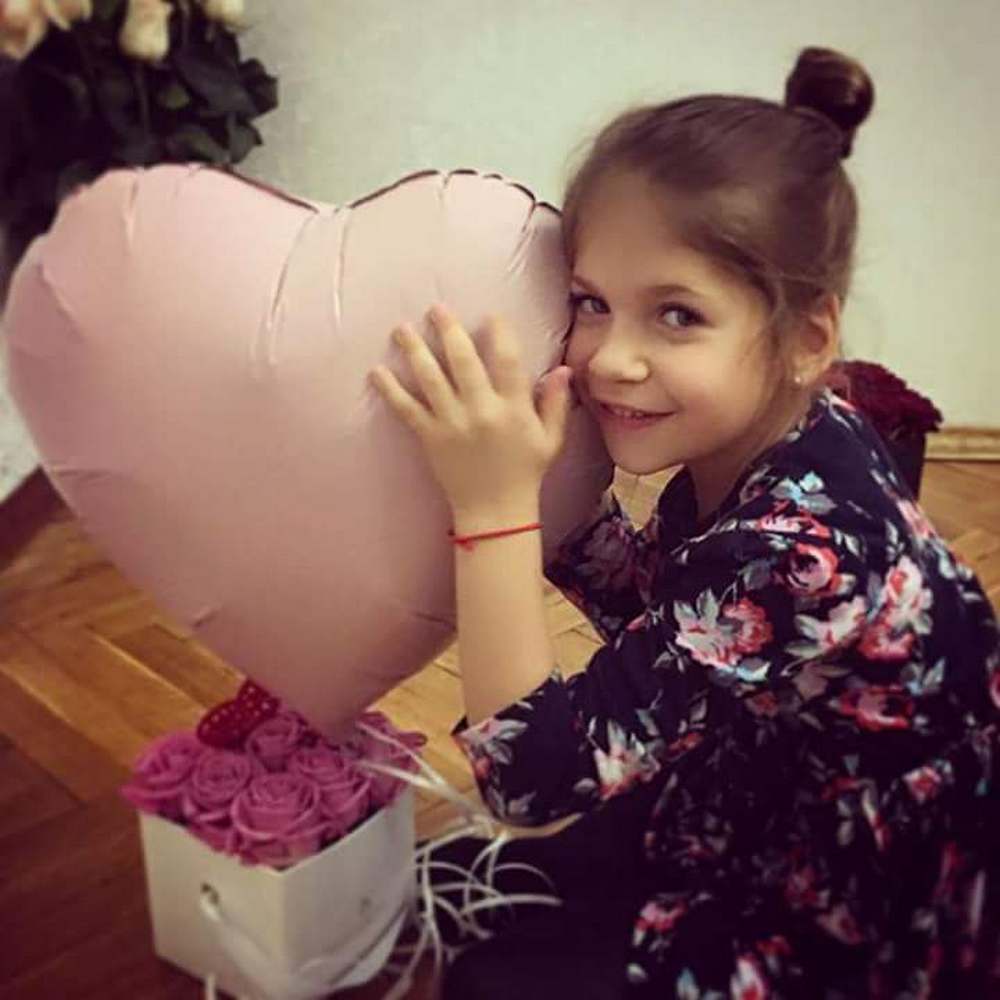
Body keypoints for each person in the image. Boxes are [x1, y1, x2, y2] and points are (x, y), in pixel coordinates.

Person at [370, 45, 1000, 998]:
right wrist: (551, 500)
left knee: (496, 980)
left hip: (857, 878)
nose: (609, 359)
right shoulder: (777, 429)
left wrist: (493, 509)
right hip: (763, 764)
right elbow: (676, 619)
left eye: (676, 315)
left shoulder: (801, 548)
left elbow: (531, 782)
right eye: (591, 303)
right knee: (463, 890)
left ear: (804, 338)